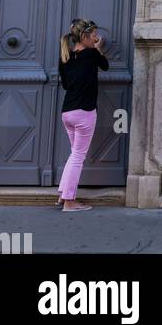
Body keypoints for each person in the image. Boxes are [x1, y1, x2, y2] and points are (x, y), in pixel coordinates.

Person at [56, 19, 108, 211]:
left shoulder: (66, 56)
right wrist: (99, 48)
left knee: (74, 155)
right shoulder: (92, 54)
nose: (97, 38)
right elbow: (105, 65)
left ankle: (63, 194)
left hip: (67, 112)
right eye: (94, 35)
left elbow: (66, 85)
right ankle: (70, 201)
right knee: (78, 156)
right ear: (85, 37)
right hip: (84, 112)